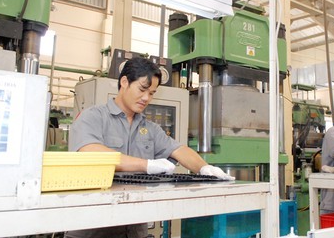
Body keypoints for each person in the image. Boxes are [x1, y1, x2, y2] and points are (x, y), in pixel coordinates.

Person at [66, 57, 233, 238]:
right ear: (124, 82)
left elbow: (179, 150)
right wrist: (146, 165)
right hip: (93, 230)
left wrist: (204, 168)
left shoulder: (150, 128)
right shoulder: (94, 117)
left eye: (152, 93)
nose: (146, 98)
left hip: (135, 231)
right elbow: (90, 152)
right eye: (142, 89)